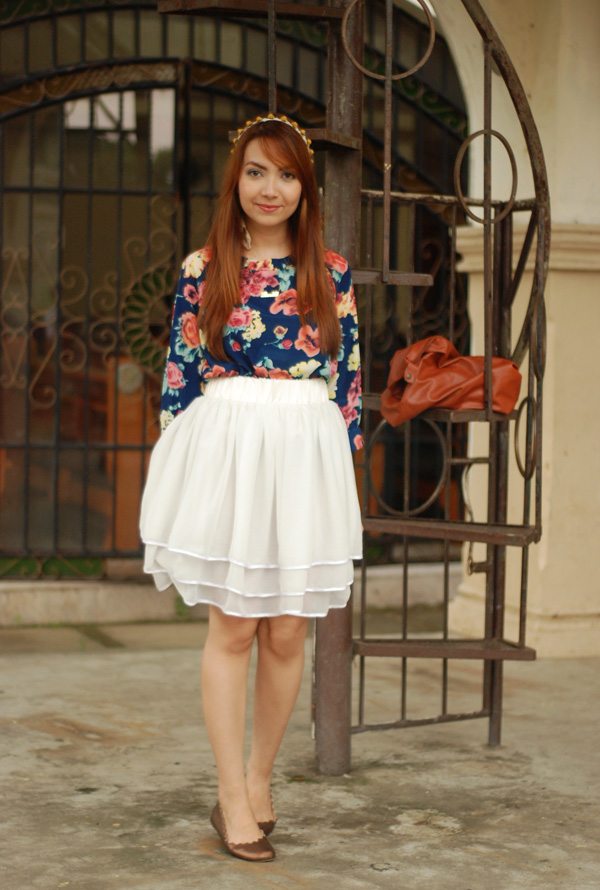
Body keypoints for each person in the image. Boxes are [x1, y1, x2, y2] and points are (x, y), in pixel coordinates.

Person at [140, 114, 363, 862]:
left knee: (289, 628)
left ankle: (260, 778)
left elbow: (348, 380)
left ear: (306, 186)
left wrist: (342, 470)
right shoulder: (205, 268)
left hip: (304, 451)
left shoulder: (330, 272)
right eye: (257, 172)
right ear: (236, 180)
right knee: (235, 626)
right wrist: (178, 471)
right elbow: (180, 374)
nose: (272, 189)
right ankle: (229, 793)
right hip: (231, 448)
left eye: (288, 174)